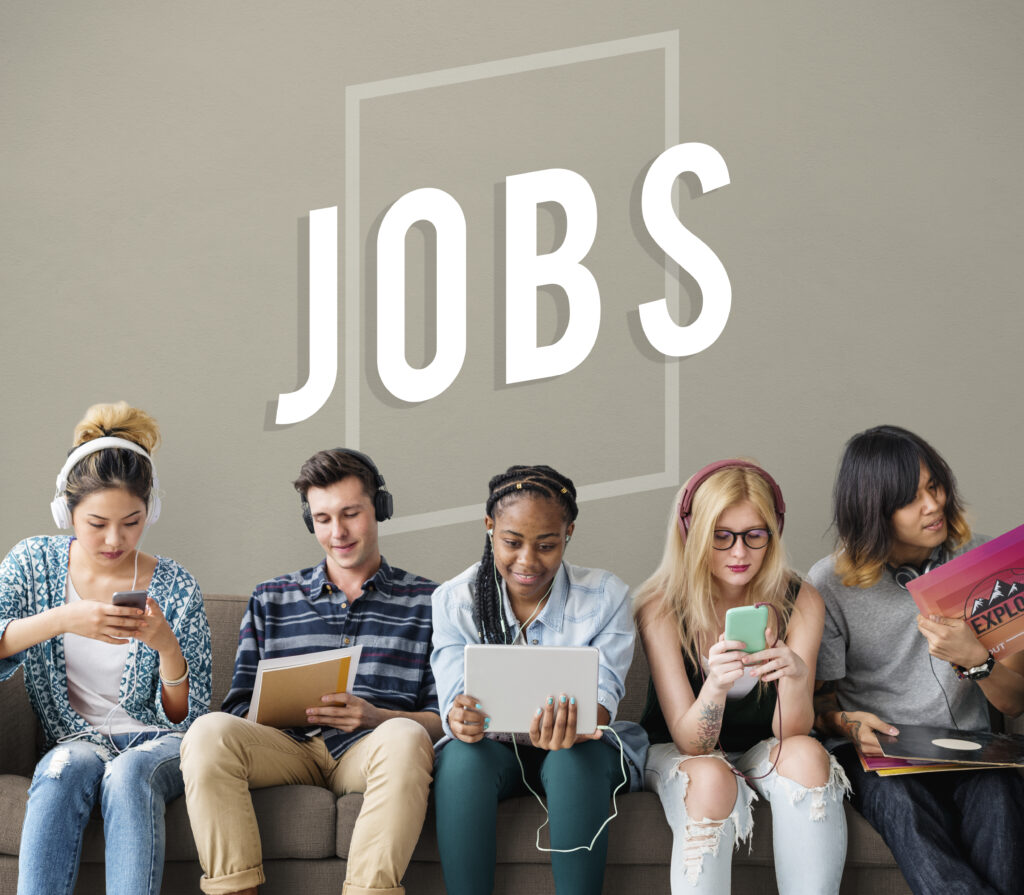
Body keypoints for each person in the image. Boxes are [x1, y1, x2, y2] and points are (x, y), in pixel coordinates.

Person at [179, 448, 440, 895]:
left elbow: (441, 720)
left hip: (369, 752)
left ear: (379, 509)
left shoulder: (429, 602)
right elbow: (238, 705)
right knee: (207, 732)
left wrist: (375, 716)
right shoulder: (271, 598)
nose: (337, 532)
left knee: (407, 736)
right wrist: (278, 706)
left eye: (350, 514)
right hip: (287, 749)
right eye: (322, 519)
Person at [0, 401, 212, 895]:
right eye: (97, 523)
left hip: (157, 744)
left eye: (131, 522)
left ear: (150, 511)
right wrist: (63, 619)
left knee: (130, 773)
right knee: (61, 769)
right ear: (66, 510)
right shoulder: (33, 563)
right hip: (75, 743)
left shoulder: (177, 586)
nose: (114, 539)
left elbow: (186, 717)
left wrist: (166, 648)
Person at [811, 425, 1024, 895]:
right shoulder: (829, 584)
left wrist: (978, 660)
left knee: (1001, 797)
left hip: (971, 749)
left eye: (935, 486)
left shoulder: (983, 563)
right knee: (899, 800)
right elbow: (817, 707)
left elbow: (1015, 704)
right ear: (875, 512)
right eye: (911, 498)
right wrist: (847, 723)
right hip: (882, 759)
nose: (934, 505)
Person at [430, 464, 647, 895]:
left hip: (581, 751)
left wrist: (579, 721)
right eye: (511, 542)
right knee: (460, 761)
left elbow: (600, 708)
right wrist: (460, 719)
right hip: (493, 750)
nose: (527, 561)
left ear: (569, 533)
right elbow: (454, 702)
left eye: (547, 545)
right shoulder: (454, 600)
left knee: (570, 761)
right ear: (489, 528)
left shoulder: (607, 597)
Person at [634, 459, 849, 894]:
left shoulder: (800, 599)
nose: (739, 553)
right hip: (679, 749)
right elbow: (692, 742)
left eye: (755, 536)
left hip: (762, 747)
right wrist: (715, 685)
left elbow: (792, 733)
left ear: (773, 534)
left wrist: (793, 676)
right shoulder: (661, 605)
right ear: (692, 534)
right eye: (721, 537)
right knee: (713, 775)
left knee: (808, 755)